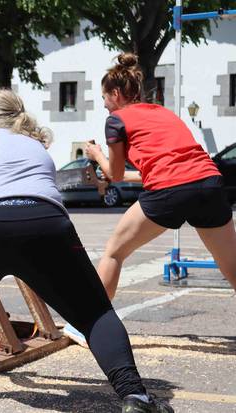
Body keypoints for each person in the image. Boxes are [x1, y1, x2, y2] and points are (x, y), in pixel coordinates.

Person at [0, 88, 172, 413]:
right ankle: (134, 396)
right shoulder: (36, 146)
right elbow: (16, 187)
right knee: (93, 312)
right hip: (43, 223)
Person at [85, 52, 236, 300]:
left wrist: (97, 155)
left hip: (171, 189)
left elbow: (117, 174)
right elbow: (164, 170)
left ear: (115, 94)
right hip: (209, 182)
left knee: (114, 252)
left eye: (104, 97)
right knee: (232, 267)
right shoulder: (162, 112)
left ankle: (92, 326)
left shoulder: (116, 120)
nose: (104, 104)